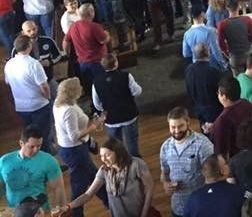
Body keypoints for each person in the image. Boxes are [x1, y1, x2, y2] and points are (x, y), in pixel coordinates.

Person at [53, 78, 108, 217]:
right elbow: (74, 135)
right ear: (73, 92)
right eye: (78, 88)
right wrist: (93, 127)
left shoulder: (59, 104)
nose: (81, 89)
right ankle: (75, 213)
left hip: (72, 149)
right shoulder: (69, 110)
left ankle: (109, 200)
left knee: (93, 177)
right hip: (75, 150)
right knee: (79, 185)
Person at [67, 137, 154, 217]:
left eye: (107, 155)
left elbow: (149, 189)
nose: (103, 159)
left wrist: (144, 214)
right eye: (101, 156)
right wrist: (69, 206)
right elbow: (88, 194)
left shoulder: (136, 164)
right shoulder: (104, 170)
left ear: (118, 152)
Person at [160, 107, 215, 217]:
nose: (176, 131)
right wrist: (165, 183)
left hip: (200, 206)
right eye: (173, 127)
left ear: (188, 122)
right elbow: (164, 172)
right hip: (177, 207)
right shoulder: (165, 147)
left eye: (180, 126)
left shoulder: (202, 144)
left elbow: (214, 175)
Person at [4, 34, 53, 152]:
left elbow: (8, 82)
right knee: (42, 136)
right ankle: (47, 163)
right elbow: (44, 86)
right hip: (39, 105)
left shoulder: (9, 64)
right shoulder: (34, 64)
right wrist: (48, 98)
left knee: (29, 136)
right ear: (29, 46)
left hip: (21, 107)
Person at [0, 126, 66, 213]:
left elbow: (58, 188)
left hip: (40, 212)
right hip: (14, 212)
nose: (36, 150)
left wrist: (62, 211)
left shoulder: (48, 161)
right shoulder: (4, 161)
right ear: (21, 143)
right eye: (31, 146)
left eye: (39, 146)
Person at [208, 74, 252, 158]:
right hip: (251, 150)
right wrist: (214, 127)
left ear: (224, 97)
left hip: (237, 159)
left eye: (218, 93)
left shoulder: (222, 120)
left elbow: (223, 154)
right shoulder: (246, 103)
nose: (218, 95)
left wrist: (215, 128)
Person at [64, 3, 110, 86]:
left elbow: (65, 42)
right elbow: (104, 40)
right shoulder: (94, 27)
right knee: (103, 86)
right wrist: (107, 34)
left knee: (90, 87)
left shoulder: (73, 26)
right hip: (98, 62)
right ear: (91, 13)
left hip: (82, 63)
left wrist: (68, 54)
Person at [217, 0, 252, 75]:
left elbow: (221, 43)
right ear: (238, 6)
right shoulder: (247, 20)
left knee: (239, 81)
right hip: (249, 54)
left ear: (227, 8)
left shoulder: (222, 24)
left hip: (235, 56)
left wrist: (227, 52)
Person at [186, 43, 224, 125]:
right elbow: (220, 91)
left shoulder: (189, 69)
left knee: (203, 128)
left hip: (197, 107)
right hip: (213, 109)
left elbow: (188, 89)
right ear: (208, 53)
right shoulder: (213, 71)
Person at [182, 7, 229, 72]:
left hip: (196, 67)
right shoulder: (209, 32)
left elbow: (186, 54)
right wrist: (224, 65)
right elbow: (216, 52)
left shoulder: (186, 34)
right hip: (211, 66)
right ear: (202, 14)